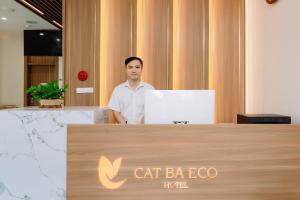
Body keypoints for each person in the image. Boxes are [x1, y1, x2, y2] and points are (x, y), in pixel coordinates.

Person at [108, 57, 154, 124]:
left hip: (144, 130)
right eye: (130, 67)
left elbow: (151, 110)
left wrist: (141, 127)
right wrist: (125, 127)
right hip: (122, 129)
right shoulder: (118, 89)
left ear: (142, 69)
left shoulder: (150, 89)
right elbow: (116, 111)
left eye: (137, 67)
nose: (134, 70)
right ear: (126, 69)